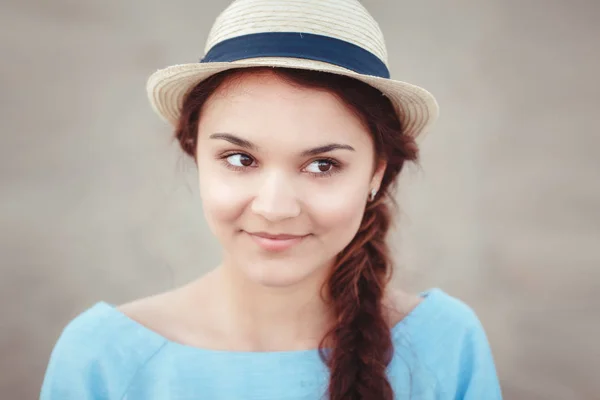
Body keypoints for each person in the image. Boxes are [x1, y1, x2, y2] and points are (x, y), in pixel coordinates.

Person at [40, 0, 502, 399]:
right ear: (196, 156)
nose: (275, 208)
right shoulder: (103, 357)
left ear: (376, 174)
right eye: (240, 159)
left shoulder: (445, 342)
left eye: (322, 165)